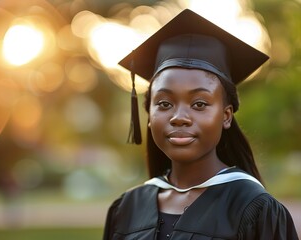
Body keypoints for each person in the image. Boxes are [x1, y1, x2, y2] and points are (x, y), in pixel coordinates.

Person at [103, 9, 299, 240]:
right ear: (148, 115)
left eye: (199, 104)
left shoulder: (254, 208)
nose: (179, 117)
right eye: (164, 104)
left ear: (226, 116)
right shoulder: (127, 208)